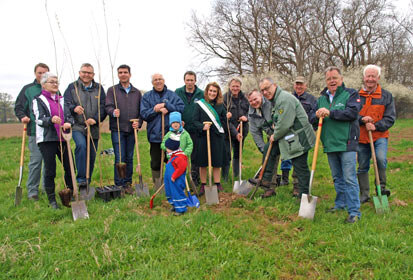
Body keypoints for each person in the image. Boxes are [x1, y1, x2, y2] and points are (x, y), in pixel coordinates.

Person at [249, 78, 315, 199]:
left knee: (300, 166)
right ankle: (266, 180)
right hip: (289, 136)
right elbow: (279, 119)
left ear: (274, 85)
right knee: (270, 147)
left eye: (267, 88)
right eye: (262, 90)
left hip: (300, 137)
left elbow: (285, 123)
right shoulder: (276, 99)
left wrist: (275, 134)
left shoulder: (284, 99)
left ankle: (303, 195)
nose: (265, 92)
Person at [313, 66, 361, 223]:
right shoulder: (321, 98)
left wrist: (330, 113)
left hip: (347, 142)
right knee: (337, 177)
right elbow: (311, 118)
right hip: (330, 143)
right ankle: (340, 204)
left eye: (334, 78)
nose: (332, 81)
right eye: (328, 79)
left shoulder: (351, 94)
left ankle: (354, 211)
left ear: (341, 79)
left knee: (349, 177)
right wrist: (316, 114)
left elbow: (352, 113)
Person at [32, 72, 74, 209]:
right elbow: (38, 118)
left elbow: (69, 117)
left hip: (63, 138)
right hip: (47, 139)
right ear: (44, 85)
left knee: (70, 167)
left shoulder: (62, 100)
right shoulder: (38, 100)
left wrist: (69, 123)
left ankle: (71, 194)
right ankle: (52, 200)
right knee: (50, 169)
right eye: (52, 82)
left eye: (56, 82)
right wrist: (50, 120)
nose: (55, 84)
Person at [357, 65, 395, 203]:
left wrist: (375, 126)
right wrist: (362, 120)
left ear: (378, 78)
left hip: (379, 136)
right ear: (364, 77)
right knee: (362, 165)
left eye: (373, 76)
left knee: (380, 159)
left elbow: (390, 118)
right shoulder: (357, 96)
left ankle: (381, 189)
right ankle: (364, 194)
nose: (370, 79)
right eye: (368, 76)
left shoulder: (386, 96)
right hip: (361, 137)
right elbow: (352, 115)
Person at [64, 63, 106, 188]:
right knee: (81, 146)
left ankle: (87, 180)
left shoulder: (99, 88)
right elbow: (66, 104)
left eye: (89, 73)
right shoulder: (72, 87)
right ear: (79, 73)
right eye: (84, 72)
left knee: (92, 155)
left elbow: (103, 107)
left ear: (93, 75)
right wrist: (74, 108)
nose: (86, 75)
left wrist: (95, 119)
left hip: (93, 127)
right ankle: (81, 179)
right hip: (78, 125)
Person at [140, 73, 185, 186]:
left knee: (173, 161)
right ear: (152, 83)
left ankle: (173, 183)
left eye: (160, 79)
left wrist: (167, 106)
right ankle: (158, 186)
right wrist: (155, 110)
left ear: (164, 81)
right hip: (155, 135)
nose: (158, 81)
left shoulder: (172, 95)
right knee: (156, 162)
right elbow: (144, 114)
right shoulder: (147, 97)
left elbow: (180, 109)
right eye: (155, 80)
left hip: (171, 135)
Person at [14, 63, 49, 201]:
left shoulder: (53, 89)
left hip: (50, 132)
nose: (42, 75)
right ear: (35, 73)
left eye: (45, 73)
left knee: (48, 162)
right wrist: (23, 116)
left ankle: (47, 188)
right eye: (40, 73)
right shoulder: (28, 90)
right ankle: (32, 191)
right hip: (35, 131)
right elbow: (19, 107)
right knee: (36, 161)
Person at [105, 65, 142, 191]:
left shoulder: (136, 92)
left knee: (129, 157)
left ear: (130, 74)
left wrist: (139, 123)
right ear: (118, 75)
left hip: (132, 130)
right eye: (120, 72)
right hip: (118, 129)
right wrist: (112, 111)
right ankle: (119, 183)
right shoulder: (112, 91)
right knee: (119, 156)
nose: (123, 74)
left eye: (125, 72)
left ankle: (127, 183)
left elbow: (140, 111)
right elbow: (108, 106)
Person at [193, 82, 228, 196]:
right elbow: (194, 121)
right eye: (210, 91)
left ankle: (217, 183)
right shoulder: (199, 105)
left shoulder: (220, 105)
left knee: (217, 161)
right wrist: (202, 126)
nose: (212, 93)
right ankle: (203, 184)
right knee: (203, 162)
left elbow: (223, 120)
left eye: (215, 91)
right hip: (203, 136)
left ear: (218, 93)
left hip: (217, 137)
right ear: (207, 91)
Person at [288, 76, 318, 196]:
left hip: (304, 134)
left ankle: (300, 187)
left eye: (301, 84)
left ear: (305, 86)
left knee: (301, 160)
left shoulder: (311, 100)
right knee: (294, 159)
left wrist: (312, 130)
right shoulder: (289, 98)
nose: (299, 86)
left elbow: (314, 116)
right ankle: (295, 185)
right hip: (290, 133)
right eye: (297, 84)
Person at [247, 89, 280, 197]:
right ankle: (270, 188)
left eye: (255, 99)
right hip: (271, 137)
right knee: (270, 158)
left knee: (296, 161)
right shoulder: (252, 113)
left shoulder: (271, 103)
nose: (254, 102)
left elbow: (281, 114)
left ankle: (298, 190)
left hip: (286, 133)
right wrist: (263, 149)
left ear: (261, 96)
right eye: (251, 101)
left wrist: (278, 130)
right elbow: (255, 132)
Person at [175, 71, 204, 185]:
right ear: (184, 81)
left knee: (195, 155)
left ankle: (195, 178)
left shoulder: (200, 94)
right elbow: (174, 108)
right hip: (182, 129)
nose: (190, 82)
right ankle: (181, 178)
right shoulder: (178, 92)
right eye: (188, 80)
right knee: (181, 154)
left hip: (196, 129)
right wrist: (177, 121)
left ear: (195, 81)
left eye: (192, 80)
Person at [222, 77, 249, 181]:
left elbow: (250, 111)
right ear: (229, 86)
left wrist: (246, 117)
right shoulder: (225, 98)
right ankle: (224, 178)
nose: (235, 88)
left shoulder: (244, 98)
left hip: (242, 130)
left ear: (240, 87)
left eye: (237, 86)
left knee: (238, 154)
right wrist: (235, 133)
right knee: (227, 154)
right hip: (228, 131)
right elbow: (225, 120)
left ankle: (237, 176)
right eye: (233, 86)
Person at [164, 137, 189, 216]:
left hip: (176, 180)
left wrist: (174, 176)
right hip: (171, 181)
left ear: (172, 148)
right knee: (170, 192)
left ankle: (181, 209)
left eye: (167, 148)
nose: (166, 149)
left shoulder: (180, 157)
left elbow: (181, 168)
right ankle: (175, 205)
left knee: (177, 193)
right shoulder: (173, 156)